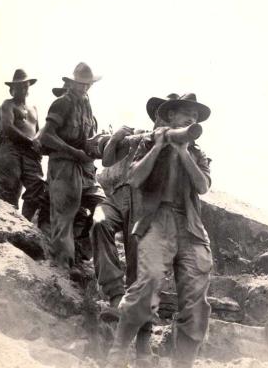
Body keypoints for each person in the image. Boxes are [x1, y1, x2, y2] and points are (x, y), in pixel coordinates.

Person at [107, 93, 212, 368]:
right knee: (149, 282)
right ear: (170, 117)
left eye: (196, 116)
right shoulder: (148, 143)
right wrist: (159, 146)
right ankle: (118, 352)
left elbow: (202, 186)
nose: (192, 119)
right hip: (157, 220)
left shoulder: (198, 154)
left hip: (190, 226)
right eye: (186, 113)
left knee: (196, 302)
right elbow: (134, 178)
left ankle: (184, 363)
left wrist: (182, 151)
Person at [40, 62, 105, 270]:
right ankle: (62, 277)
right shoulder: (62, 103)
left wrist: (96, 146)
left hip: (85, 169)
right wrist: (73, 151)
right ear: (71, 82)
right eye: (80, 84)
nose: (84, 88)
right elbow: (46, 136)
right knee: (63, 221)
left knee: (105, 210)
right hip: (64, 166)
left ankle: (80, 254)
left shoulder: (87, 105)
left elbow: (86, 139)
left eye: (87, 84)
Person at [0, 69, 45, 220]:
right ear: (12, 89)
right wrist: (31, 142)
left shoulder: (34, 109)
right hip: (11, 149)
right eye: (19, 86)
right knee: (8, 189)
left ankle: (24, 223)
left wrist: (39, 147)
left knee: (37, 188)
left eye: (26, 85)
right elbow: (7, 128)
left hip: (30, 154)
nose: (23, 88)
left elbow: (38, 133)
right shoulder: (7, 105)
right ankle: (7, 225)